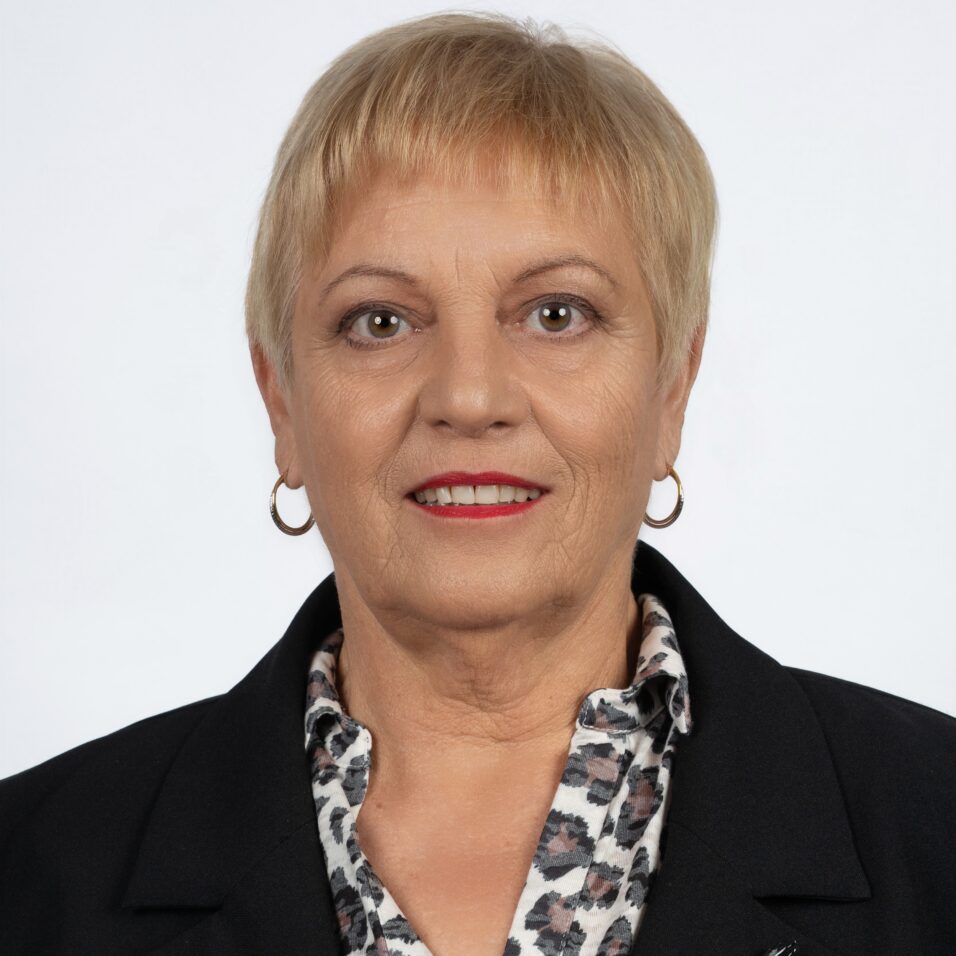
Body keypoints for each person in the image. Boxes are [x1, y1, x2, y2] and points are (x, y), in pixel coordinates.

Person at [1, 10, 954, 956]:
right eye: (380, 322)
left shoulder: (936, 823)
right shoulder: (27, 868)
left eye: (556, 314)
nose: (468, 397)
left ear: (672, 388)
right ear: (281, 402)